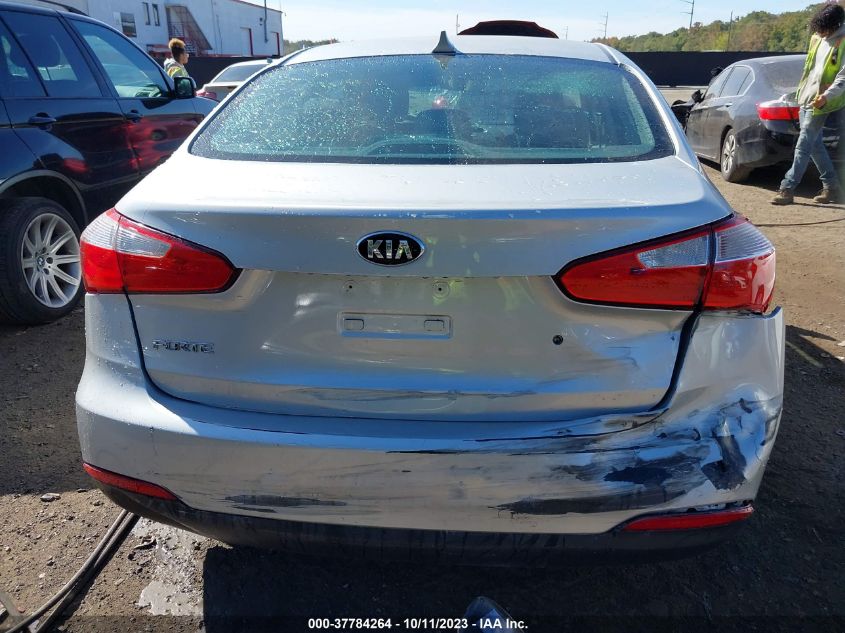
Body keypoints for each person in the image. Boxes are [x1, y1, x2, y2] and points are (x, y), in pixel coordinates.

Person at [772, 3, 845, 205]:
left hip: (823, 102)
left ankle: (787, 187)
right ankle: (832, 187)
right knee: (814, 145)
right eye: (817, 28)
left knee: (804, 143)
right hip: (806, 97)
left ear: (835, 25)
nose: (820, 33)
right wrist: (802, 94)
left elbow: (843, 77)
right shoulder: (817, 39)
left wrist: (826, 96)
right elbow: (810, 69)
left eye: (823, 29)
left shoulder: (843, 42)